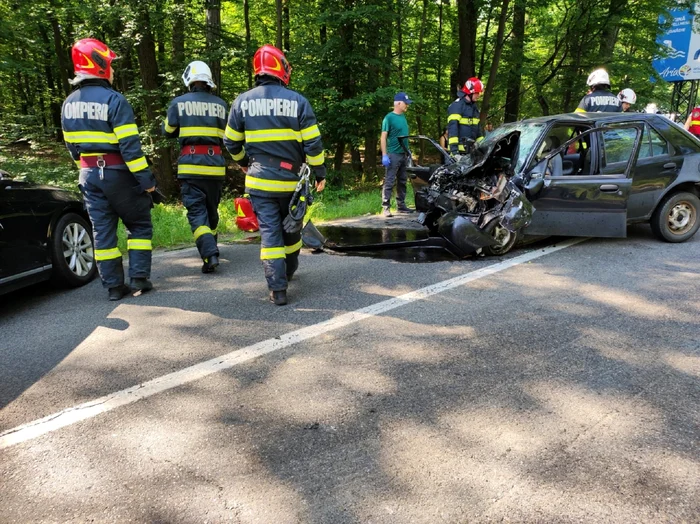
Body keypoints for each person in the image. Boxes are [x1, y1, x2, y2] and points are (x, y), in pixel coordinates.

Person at [223, 44, 326, 306]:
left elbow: (231, 142)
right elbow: (313, 144)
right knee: (291, 229)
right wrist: (319, 172)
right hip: (290, 181)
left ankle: (277, 289)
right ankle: (289, 271)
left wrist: (244, 162)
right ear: (282, 68)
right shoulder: (298, 101)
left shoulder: (242, 101)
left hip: (259, 180)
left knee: (269, 233)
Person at [61, 38, 156, 301]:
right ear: (100, 65)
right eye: (111, 64)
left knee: (102, 232)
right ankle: (139, 278)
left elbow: (73, 149)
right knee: (138, 225)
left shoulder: (69, 103)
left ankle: (114, 287)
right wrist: (146, 181)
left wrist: (88, 171)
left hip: (89, 175)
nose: (113, 69)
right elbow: (130, 148)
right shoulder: (115, 100)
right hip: (118, 173)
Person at [163, 61, 227, 274]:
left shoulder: (178, 103)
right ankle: (213, 245)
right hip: (216, 167)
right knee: (211, 210)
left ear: (189, 80)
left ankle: (210, 253)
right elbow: (230, 137)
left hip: (191, 166)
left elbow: (168, 131)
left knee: (197, 212)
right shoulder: (221, 104)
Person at [380, 92, 414, 217]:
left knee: (403, 180)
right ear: (398, 103)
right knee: (389, 181)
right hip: (393, 154)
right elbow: (383, 137)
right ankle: (386, 207)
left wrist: (408, 151)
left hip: (404, 154)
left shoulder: (403, 117)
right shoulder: (388, 118)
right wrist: (384, 155)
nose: (407, 106)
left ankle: (401, 205)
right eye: (406, 103)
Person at [447, 77, 483, 157]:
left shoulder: (474, 108)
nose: (479, 95)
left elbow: (478, 131)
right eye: (477, 93)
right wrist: (454, 152)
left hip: (471, 153)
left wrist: (483, 147)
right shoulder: (457, 106)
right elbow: (453, 128)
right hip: (458, 153)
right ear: (470, 92)